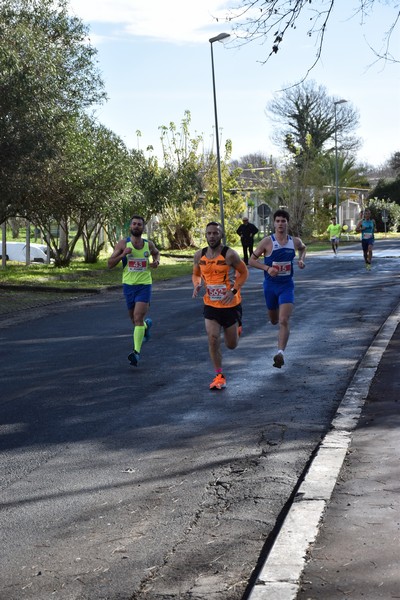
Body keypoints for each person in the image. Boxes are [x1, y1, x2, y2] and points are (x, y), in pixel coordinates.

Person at [192, 222, 248, 390]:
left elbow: (244, 272)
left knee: (231, 345)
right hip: (211, 304)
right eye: (209, 233)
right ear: (205, 235)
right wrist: (197, 284)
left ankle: (237, 328)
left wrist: (233, 290)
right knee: (213, 337)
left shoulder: (230, 254)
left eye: (215, 233)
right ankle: (219, 375)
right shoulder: (199, 255)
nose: (212, 236)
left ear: (221, 235)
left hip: (230, 304)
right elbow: (196, 274)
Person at [248, 209, 306, 369]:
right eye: (278, 221)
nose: (281, 224)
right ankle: (275, 324)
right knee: (274, 320)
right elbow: (251, 261)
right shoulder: (267, 242)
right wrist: (267, 268)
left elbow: (303, 248)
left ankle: (280, 353)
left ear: (288, 223)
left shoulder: (294, 241)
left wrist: (301, 260)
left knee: (284, 320)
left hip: (286, 286)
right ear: (274, 223)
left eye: (283, 221)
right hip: (270, 287)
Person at [108, 215, 160, 366]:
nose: (136, 226)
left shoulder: (148, 244)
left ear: (143, 228)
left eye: (139, 224)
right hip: (129, 286)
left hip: (144, 285)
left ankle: (136, 353)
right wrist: (122, 255)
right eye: (134, 224)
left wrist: (156, 261)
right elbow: (109, 264)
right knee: (135, 321)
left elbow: (156, 252)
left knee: (137, 318)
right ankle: (146, 326)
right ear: (130, 227)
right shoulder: (123, 244)